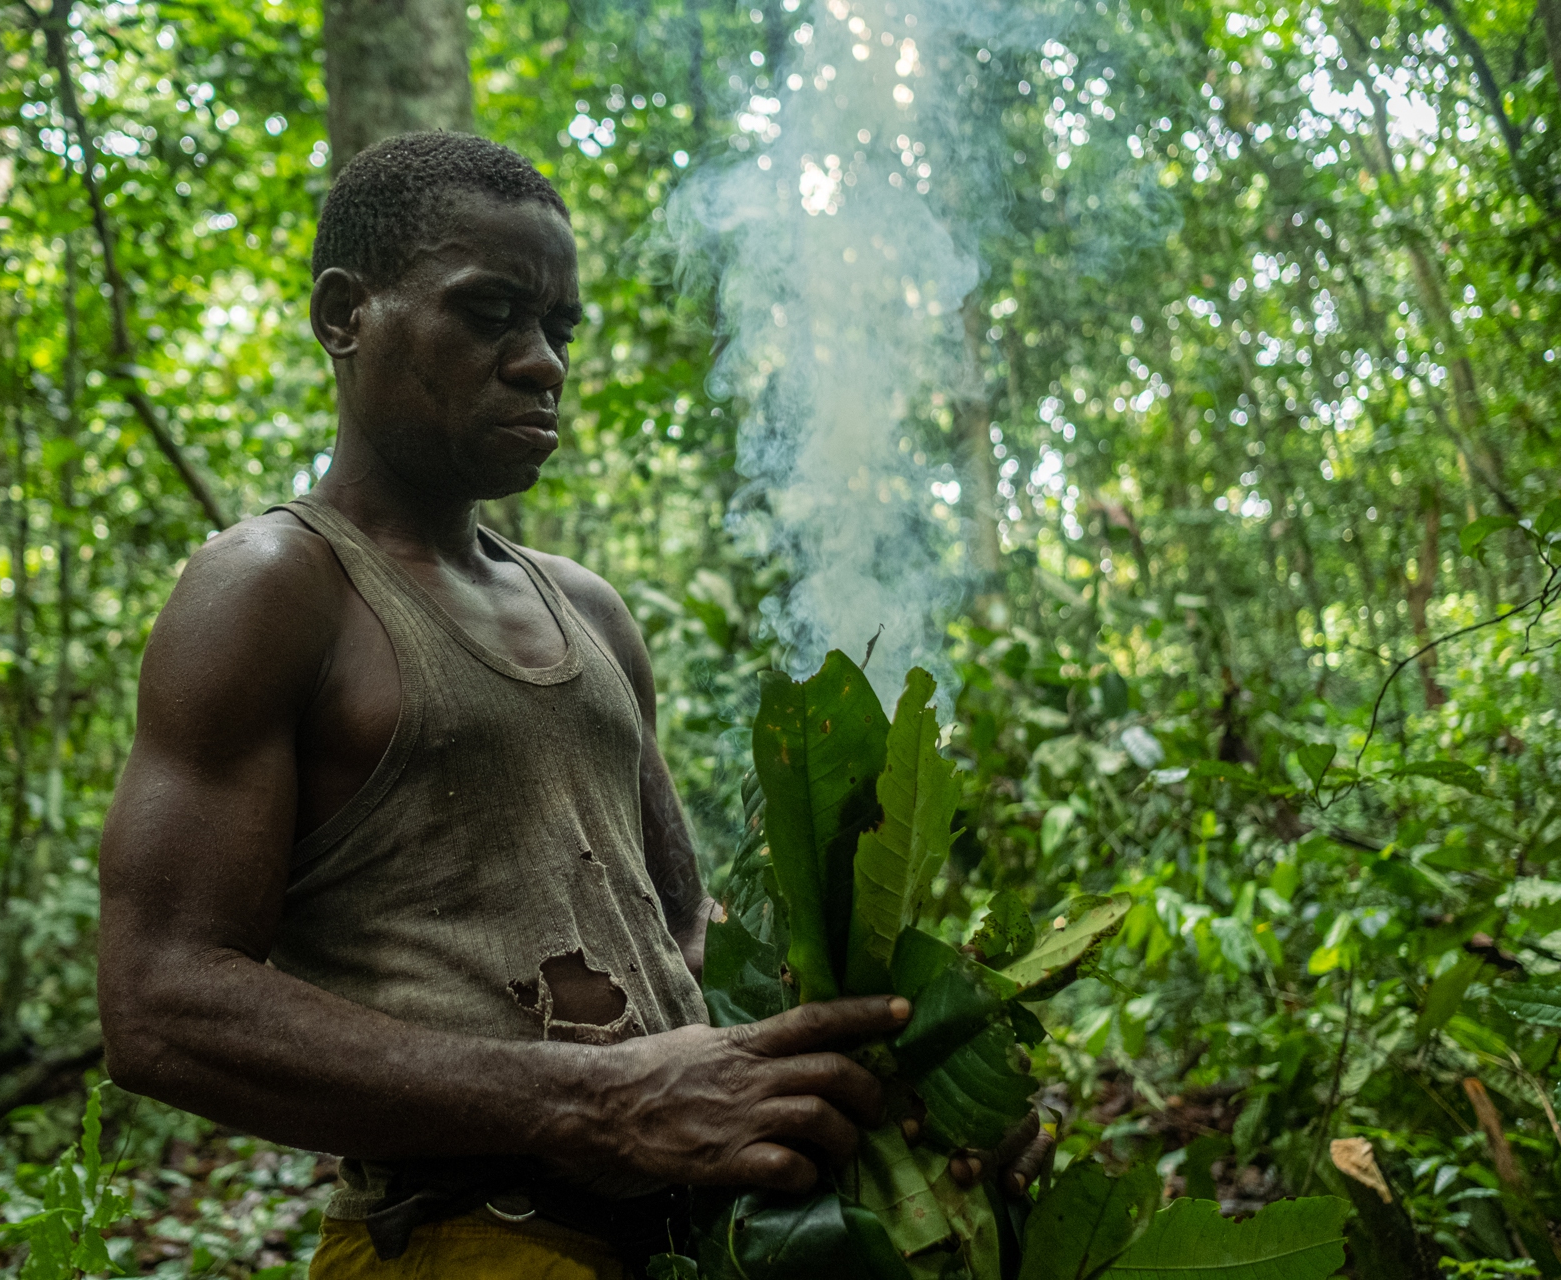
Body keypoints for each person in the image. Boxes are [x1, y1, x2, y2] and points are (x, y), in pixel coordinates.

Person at [97, 132, 1032, 1279]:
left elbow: (685, 934)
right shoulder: (272, 590)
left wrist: (899, 1091)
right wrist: (590, 1102)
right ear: (345, 315)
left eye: (558, 329)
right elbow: (160, 1001)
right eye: (490, 313)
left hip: (691, 1241)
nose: (541, 363)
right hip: (454, 1236)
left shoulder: (586, 607)